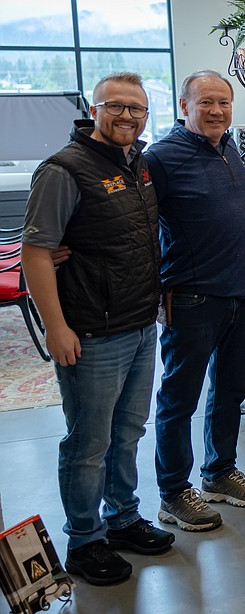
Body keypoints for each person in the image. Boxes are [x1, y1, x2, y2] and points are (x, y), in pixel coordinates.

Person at [22, 72, 173, 585]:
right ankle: (85, 542)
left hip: (138, 325)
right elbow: (37, 254)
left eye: (137, 108)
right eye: (117, 106)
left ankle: (123, 517)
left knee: (128, 431)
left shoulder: (138, 164)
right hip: (91, 331)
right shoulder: (64, 169)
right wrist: (55, 327)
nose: (127, 116)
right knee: (89, 441)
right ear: (95, 107)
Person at [146, 70, 245, 532]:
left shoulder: (229, 149)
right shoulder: (161, 158)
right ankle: (174, 492)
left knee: (229, 392)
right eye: (206, 103)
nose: (216, 111)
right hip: (192, 298)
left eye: (224, 102)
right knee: (179, 398)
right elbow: (139, 224)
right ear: (184, 106)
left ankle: (218, 473)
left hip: (240, 293)